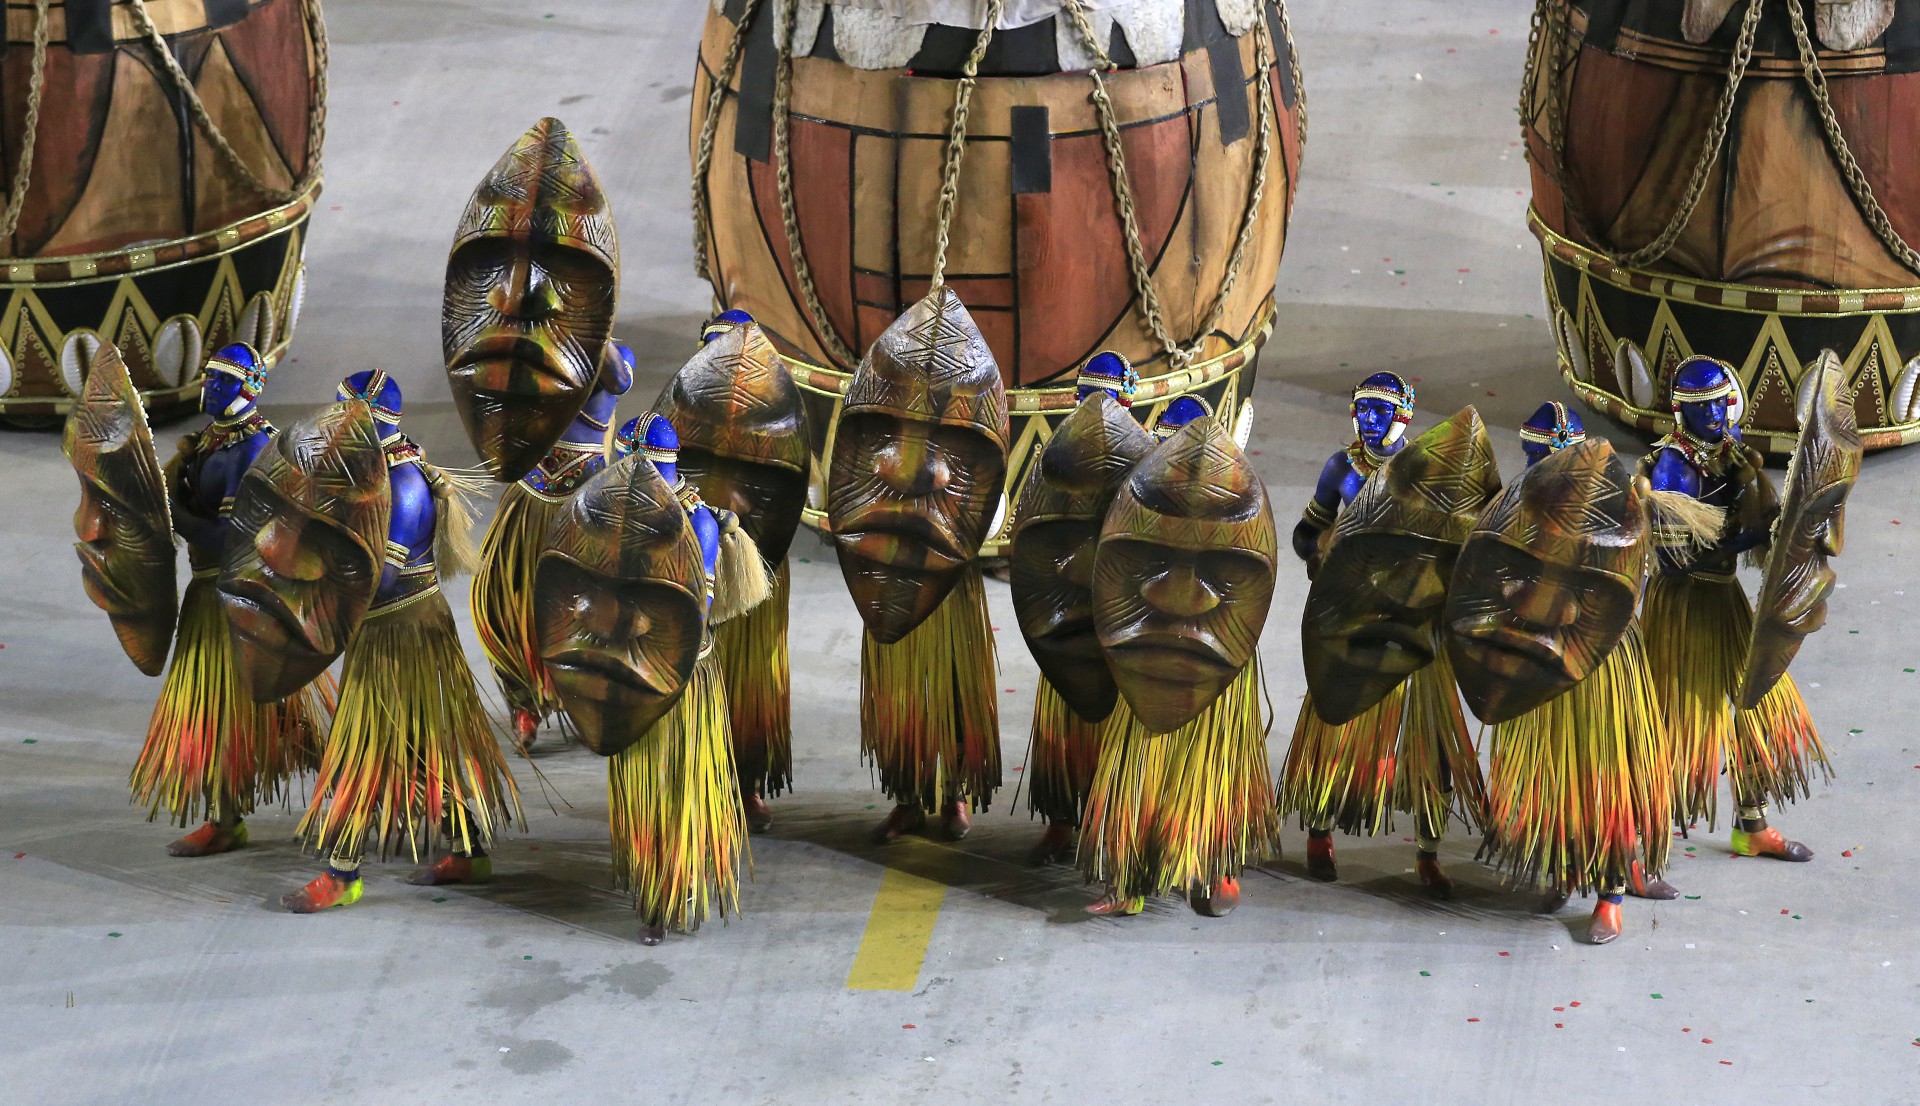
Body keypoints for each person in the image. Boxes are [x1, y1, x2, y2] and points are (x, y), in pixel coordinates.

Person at [273, 373, 522, 912]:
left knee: (360, 749)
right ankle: (468, 850)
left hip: (400, 634)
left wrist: (318, 563)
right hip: (385, 630)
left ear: (365, 418)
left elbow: (381, 580)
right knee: (416, 750)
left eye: (343, 414)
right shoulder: (374, 473)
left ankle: (342, 874)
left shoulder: (403, 486)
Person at [1285, 403, 1498, 897]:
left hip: (1420, 623)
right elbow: (1305, 532)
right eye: (1362, 410)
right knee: (1336, 732)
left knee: (1434, 749)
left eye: (1381, 411)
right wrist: (1320, 555)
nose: (1370, 420)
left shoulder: (1432, 470)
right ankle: (1319, 834)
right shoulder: (1341, 467)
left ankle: (1427, 853)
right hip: (1358, 618)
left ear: (1403, 417)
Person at [129, 344, 332, 857]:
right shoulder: (211, 440)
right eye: (209, 378)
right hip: (209, 594)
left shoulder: (250, 450)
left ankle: (366, 787)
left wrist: (171, 509)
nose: (210, 388)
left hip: (238, 599)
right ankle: (226, 817)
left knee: (241, 711)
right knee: (225, 711)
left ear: (251, 388)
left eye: (223, 381)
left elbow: (230, 539)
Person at [824, 289, 1008, 843]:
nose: (910, 469)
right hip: (887, 574)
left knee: (953, 690)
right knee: (899, 695)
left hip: (948, 586)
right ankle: (907, 796)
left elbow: (986, 511)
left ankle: (954, 796)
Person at [1079, 414, 1280, 917]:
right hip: (1146, 657)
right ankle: (1127, 879)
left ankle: (1214, 864)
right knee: (1136, 766)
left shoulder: (1245, 504)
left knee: (1216, 769)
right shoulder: (1136, 499)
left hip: (1215, 667)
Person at [1639, 357, 1826, 861]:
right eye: (1702, 408)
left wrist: (1778, 511)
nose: (1715, 415)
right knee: (1678, 723)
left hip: (1724, 596)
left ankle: (1752, 826)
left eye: (1720, 403)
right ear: (1681, 412)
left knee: (1758, 703)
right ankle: (1642, 840)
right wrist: (1751, 535)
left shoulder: (1729, 447)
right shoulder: (1674, 469)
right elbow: (1674, 562)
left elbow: (1758, 513)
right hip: (1683, 607)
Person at [651, 315, 809, 833]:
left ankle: (748, 782)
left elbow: (788, 491)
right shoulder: (678, 406)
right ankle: (693, 783)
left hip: (755, 566)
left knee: (752, 681)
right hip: (690, 562)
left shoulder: (781, 416)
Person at [1008, 352, 1152, 864]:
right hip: (1066, 616)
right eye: (1089, 396)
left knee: (1119, 732)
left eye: (1107, 397)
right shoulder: (1052, 462)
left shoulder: (1149, 463)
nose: (1098, 409)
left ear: (1128, 400)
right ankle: (1062, 822)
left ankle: (1117, 831)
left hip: (1119, 619)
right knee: (1066, 727)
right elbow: (1028, 536)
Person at [473, 340, 633, 752]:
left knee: (584, 609)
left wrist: (595, 332)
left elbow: (618, 380)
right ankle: (524, 702)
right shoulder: (532, 354)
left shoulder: (613, 355)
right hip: (528, 501)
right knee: (508, 602)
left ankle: (583, 699)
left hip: (583, 505)